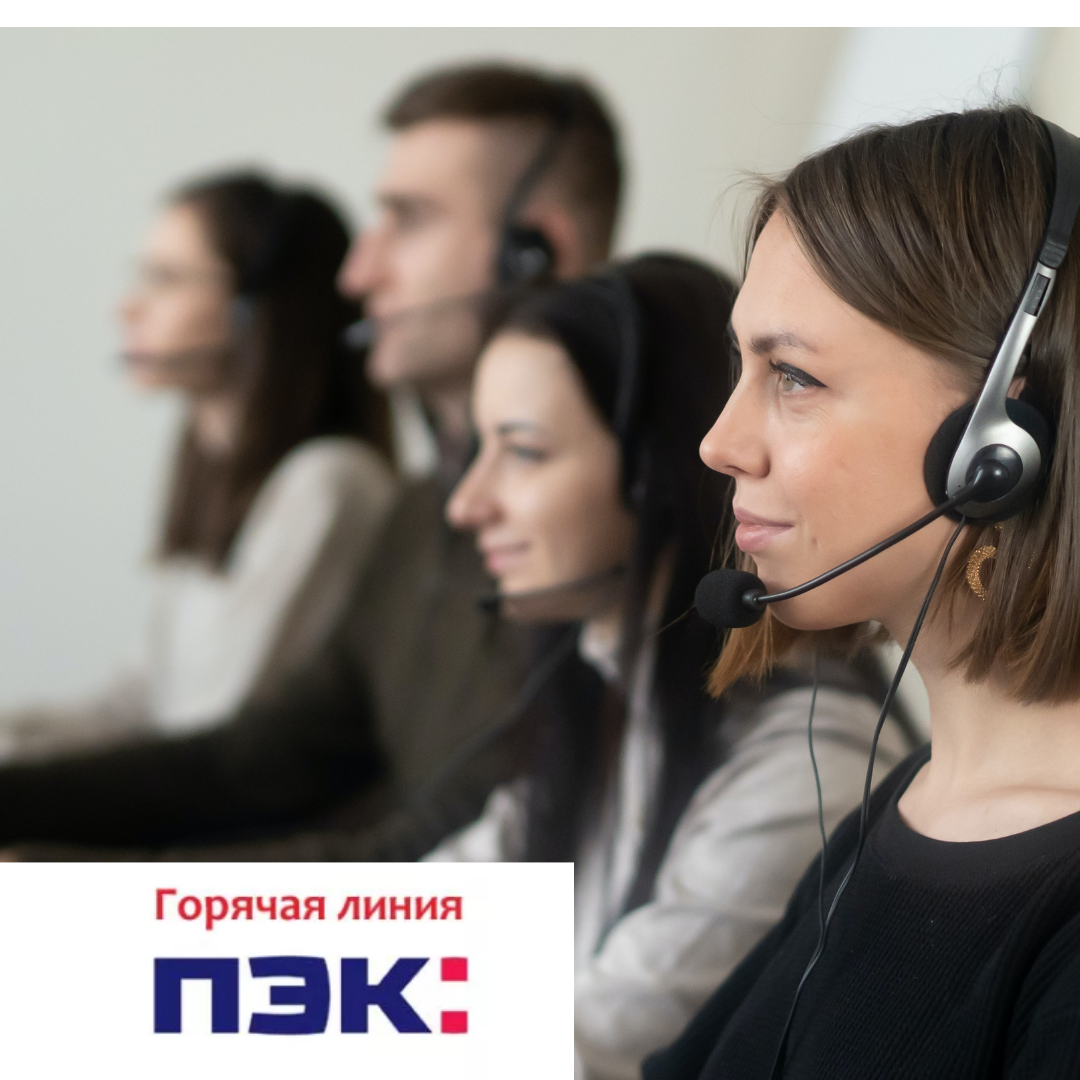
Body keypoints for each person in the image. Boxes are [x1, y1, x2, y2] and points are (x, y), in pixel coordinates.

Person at [0, 63, 625, 858]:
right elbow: (258, 762)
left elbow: (453, 862)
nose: (356, 274)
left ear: (533, 254)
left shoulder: (600, 525)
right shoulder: (418, 513)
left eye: (408, 221)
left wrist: (81, 896)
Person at [644, 106, 1080, 1080]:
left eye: (794, 376)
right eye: (742, 367)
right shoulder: (914, 804)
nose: (718, 444)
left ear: (997, 449)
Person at [424, 254, 915, 1080]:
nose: (467, 504)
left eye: (525, 453)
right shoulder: (610, 708)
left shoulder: (804, 763)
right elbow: (419, 920)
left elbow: (594, 1048)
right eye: (479, 450)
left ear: (657, 473)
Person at [0, 171, 396, 760]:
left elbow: (212, 734)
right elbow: (137, 706)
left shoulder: (330, 482)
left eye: (165, 279)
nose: (128, 307)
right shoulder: (212, 475)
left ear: (251, 308)